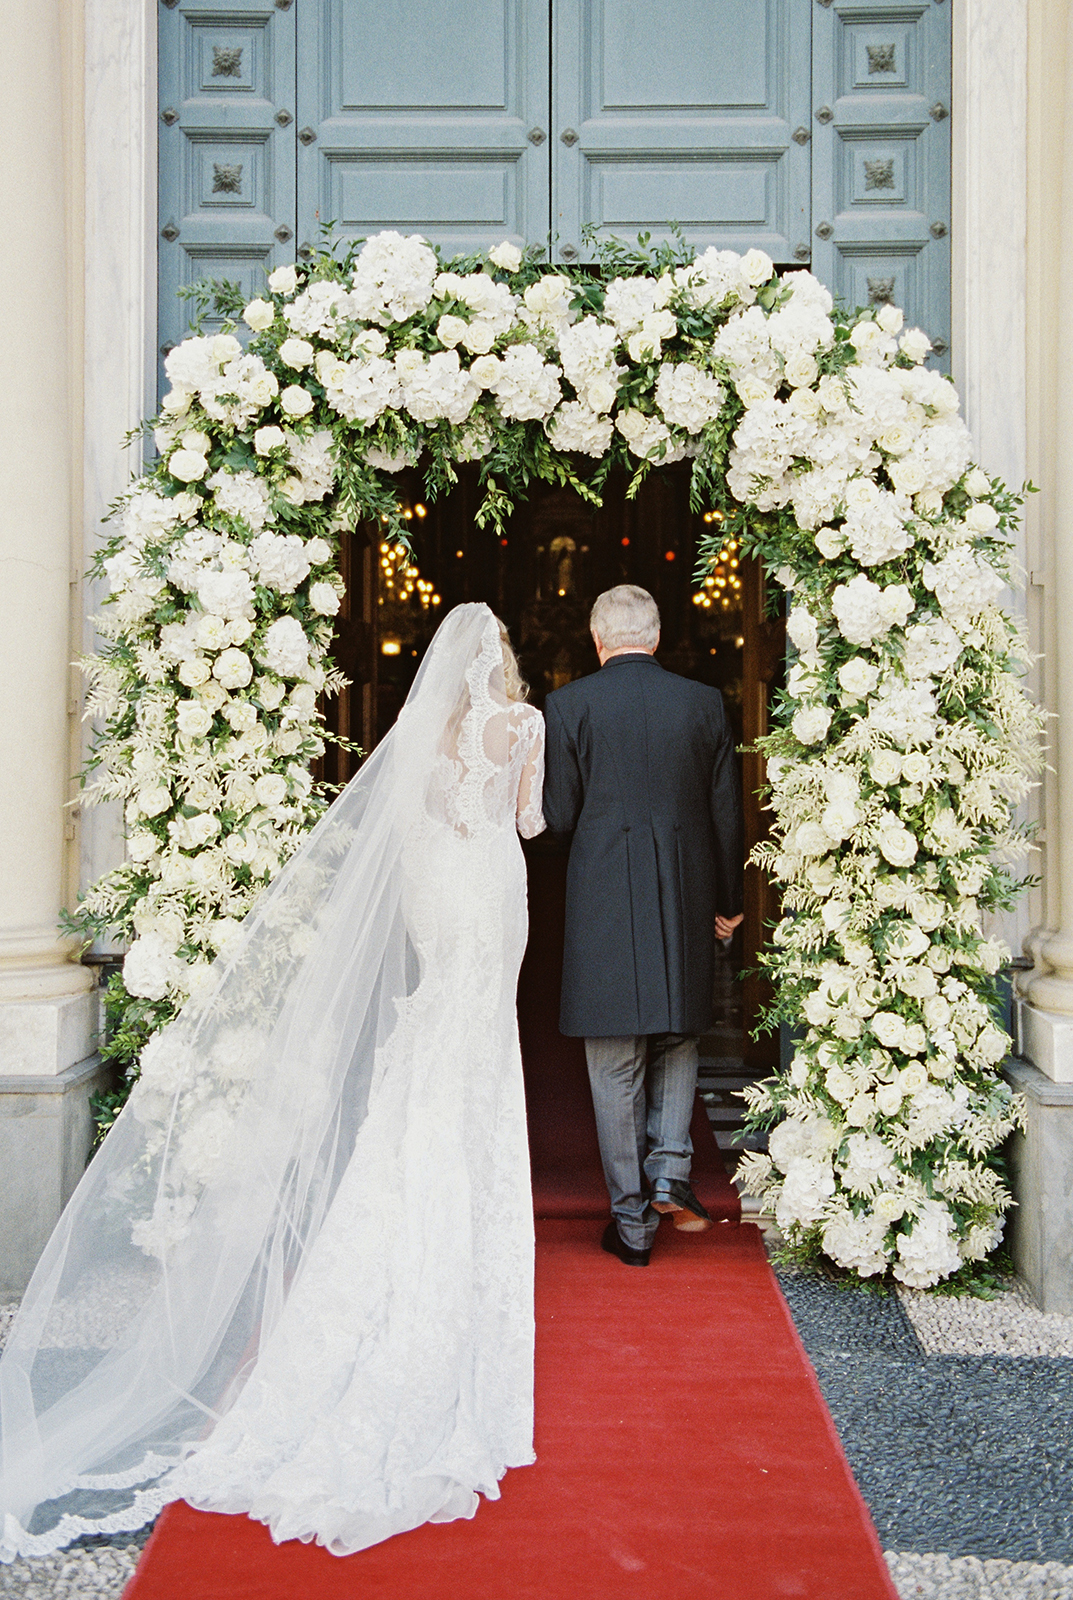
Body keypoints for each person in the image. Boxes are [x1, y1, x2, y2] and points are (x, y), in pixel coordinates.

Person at [0, 603, 546, 1561]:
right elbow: (529, 821)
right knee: (479, 1041)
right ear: (496, 659)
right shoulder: (523, 725)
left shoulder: (420, 741)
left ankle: (395, 1217)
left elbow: (412, 841)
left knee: (430, 1039)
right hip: (492, 898)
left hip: (440, 902)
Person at [543, 585, 745, 1267]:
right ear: (654, 638)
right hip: (686, 894)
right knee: (678, 1033)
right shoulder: (702, 703)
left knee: (613, 1060)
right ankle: (668, 1171)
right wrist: (727, 897)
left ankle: (631, 1224)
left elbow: (561, 818)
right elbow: (725, 811)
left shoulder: (568, 706)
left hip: (602, 895)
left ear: (598, 641)